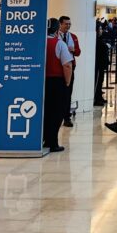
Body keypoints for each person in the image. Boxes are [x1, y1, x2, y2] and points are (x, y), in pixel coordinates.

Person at [43, 19, 73, 152]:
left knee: (46, 111)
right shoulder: (59, 44)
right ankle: (52, 142)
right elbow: (67, 65)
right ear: (57, 30)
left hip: (43, 82)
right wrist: (67, 82)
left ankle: (44, 138)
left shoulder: (40, 42)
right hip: (57, 81)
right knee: (57, 112)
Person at [57, 16, 80, 127]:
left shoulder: (73, 37)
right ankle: (57, 115)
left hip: (70, 67)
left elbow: (78, 52)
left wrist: (74, 50)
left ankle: (67, 117)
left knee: (67, 93)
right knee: (57, 93)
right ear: (60, 24)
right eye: (66, 24)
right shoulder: (55, 37)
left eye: (69, 24)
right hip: (57, 68)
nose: (68, 26)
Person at [94, 23, 110, 107]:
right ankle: (96, 98)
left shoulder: (100, 39)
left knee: (100, 81)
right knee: (97, 81)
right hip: (98, 64)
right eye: (99, 29)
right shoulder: (96, 40)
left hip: (102, 64)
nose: (101, 30)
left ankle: (99, 97)